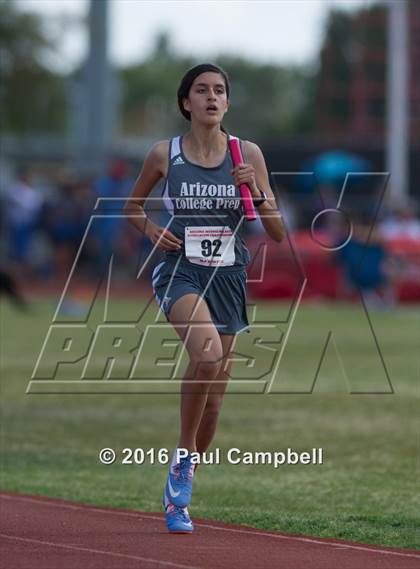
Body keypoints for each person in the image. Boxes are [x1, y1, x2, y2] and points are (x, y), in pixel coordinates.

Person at [123, 63, 285, 533]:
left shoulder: (247, 153)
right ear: (186, 103)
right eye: (201, 90)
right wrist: (152, 229)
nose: (211, 98)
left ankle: (183, 487)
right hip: (180, 272)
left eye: (219, 91)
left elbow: (275, 232)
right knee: (207, 356)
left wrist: (255, 188)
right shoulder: (164, 154)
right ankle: (180, 457)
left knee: (214, 402)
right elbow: (132, 207)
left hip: (229, 278)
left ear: (227, 103)